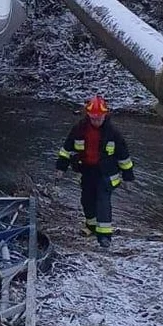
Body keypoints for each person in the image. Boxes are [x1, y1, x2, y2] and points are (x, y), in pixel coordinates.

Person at [56, 95, 135, 248]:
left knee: (103, 202)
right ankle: (91, 226)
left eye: (99, 118)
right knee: (86, 201)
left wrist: (128, 178)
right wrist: (60, 169)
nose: (96, 121)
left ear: (105, 115)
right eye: (93, 118)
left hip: (106, 174)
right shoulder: (79, 129)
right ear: (88, 115)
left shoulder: (113, 133)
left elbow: (124, 157)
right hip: (87, 172)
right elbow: (66, 150)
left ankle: (104, 237)